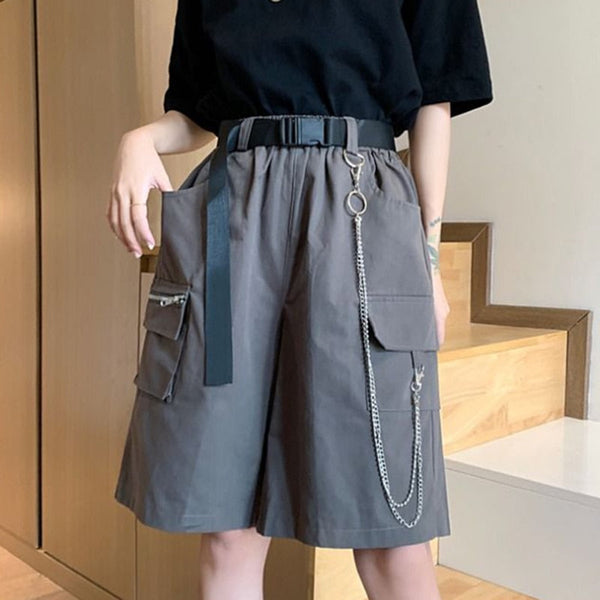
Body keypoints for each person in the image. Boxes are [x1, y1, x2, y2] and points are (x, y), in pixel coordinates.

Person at [108, 1, 493, 598]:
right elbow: (197, 111)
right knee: (227, 526)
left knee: (392, 527)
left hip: (360, 208)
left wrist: (429, 255)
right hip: (233, 213)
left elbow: (432, 100)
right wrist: (141, 139)